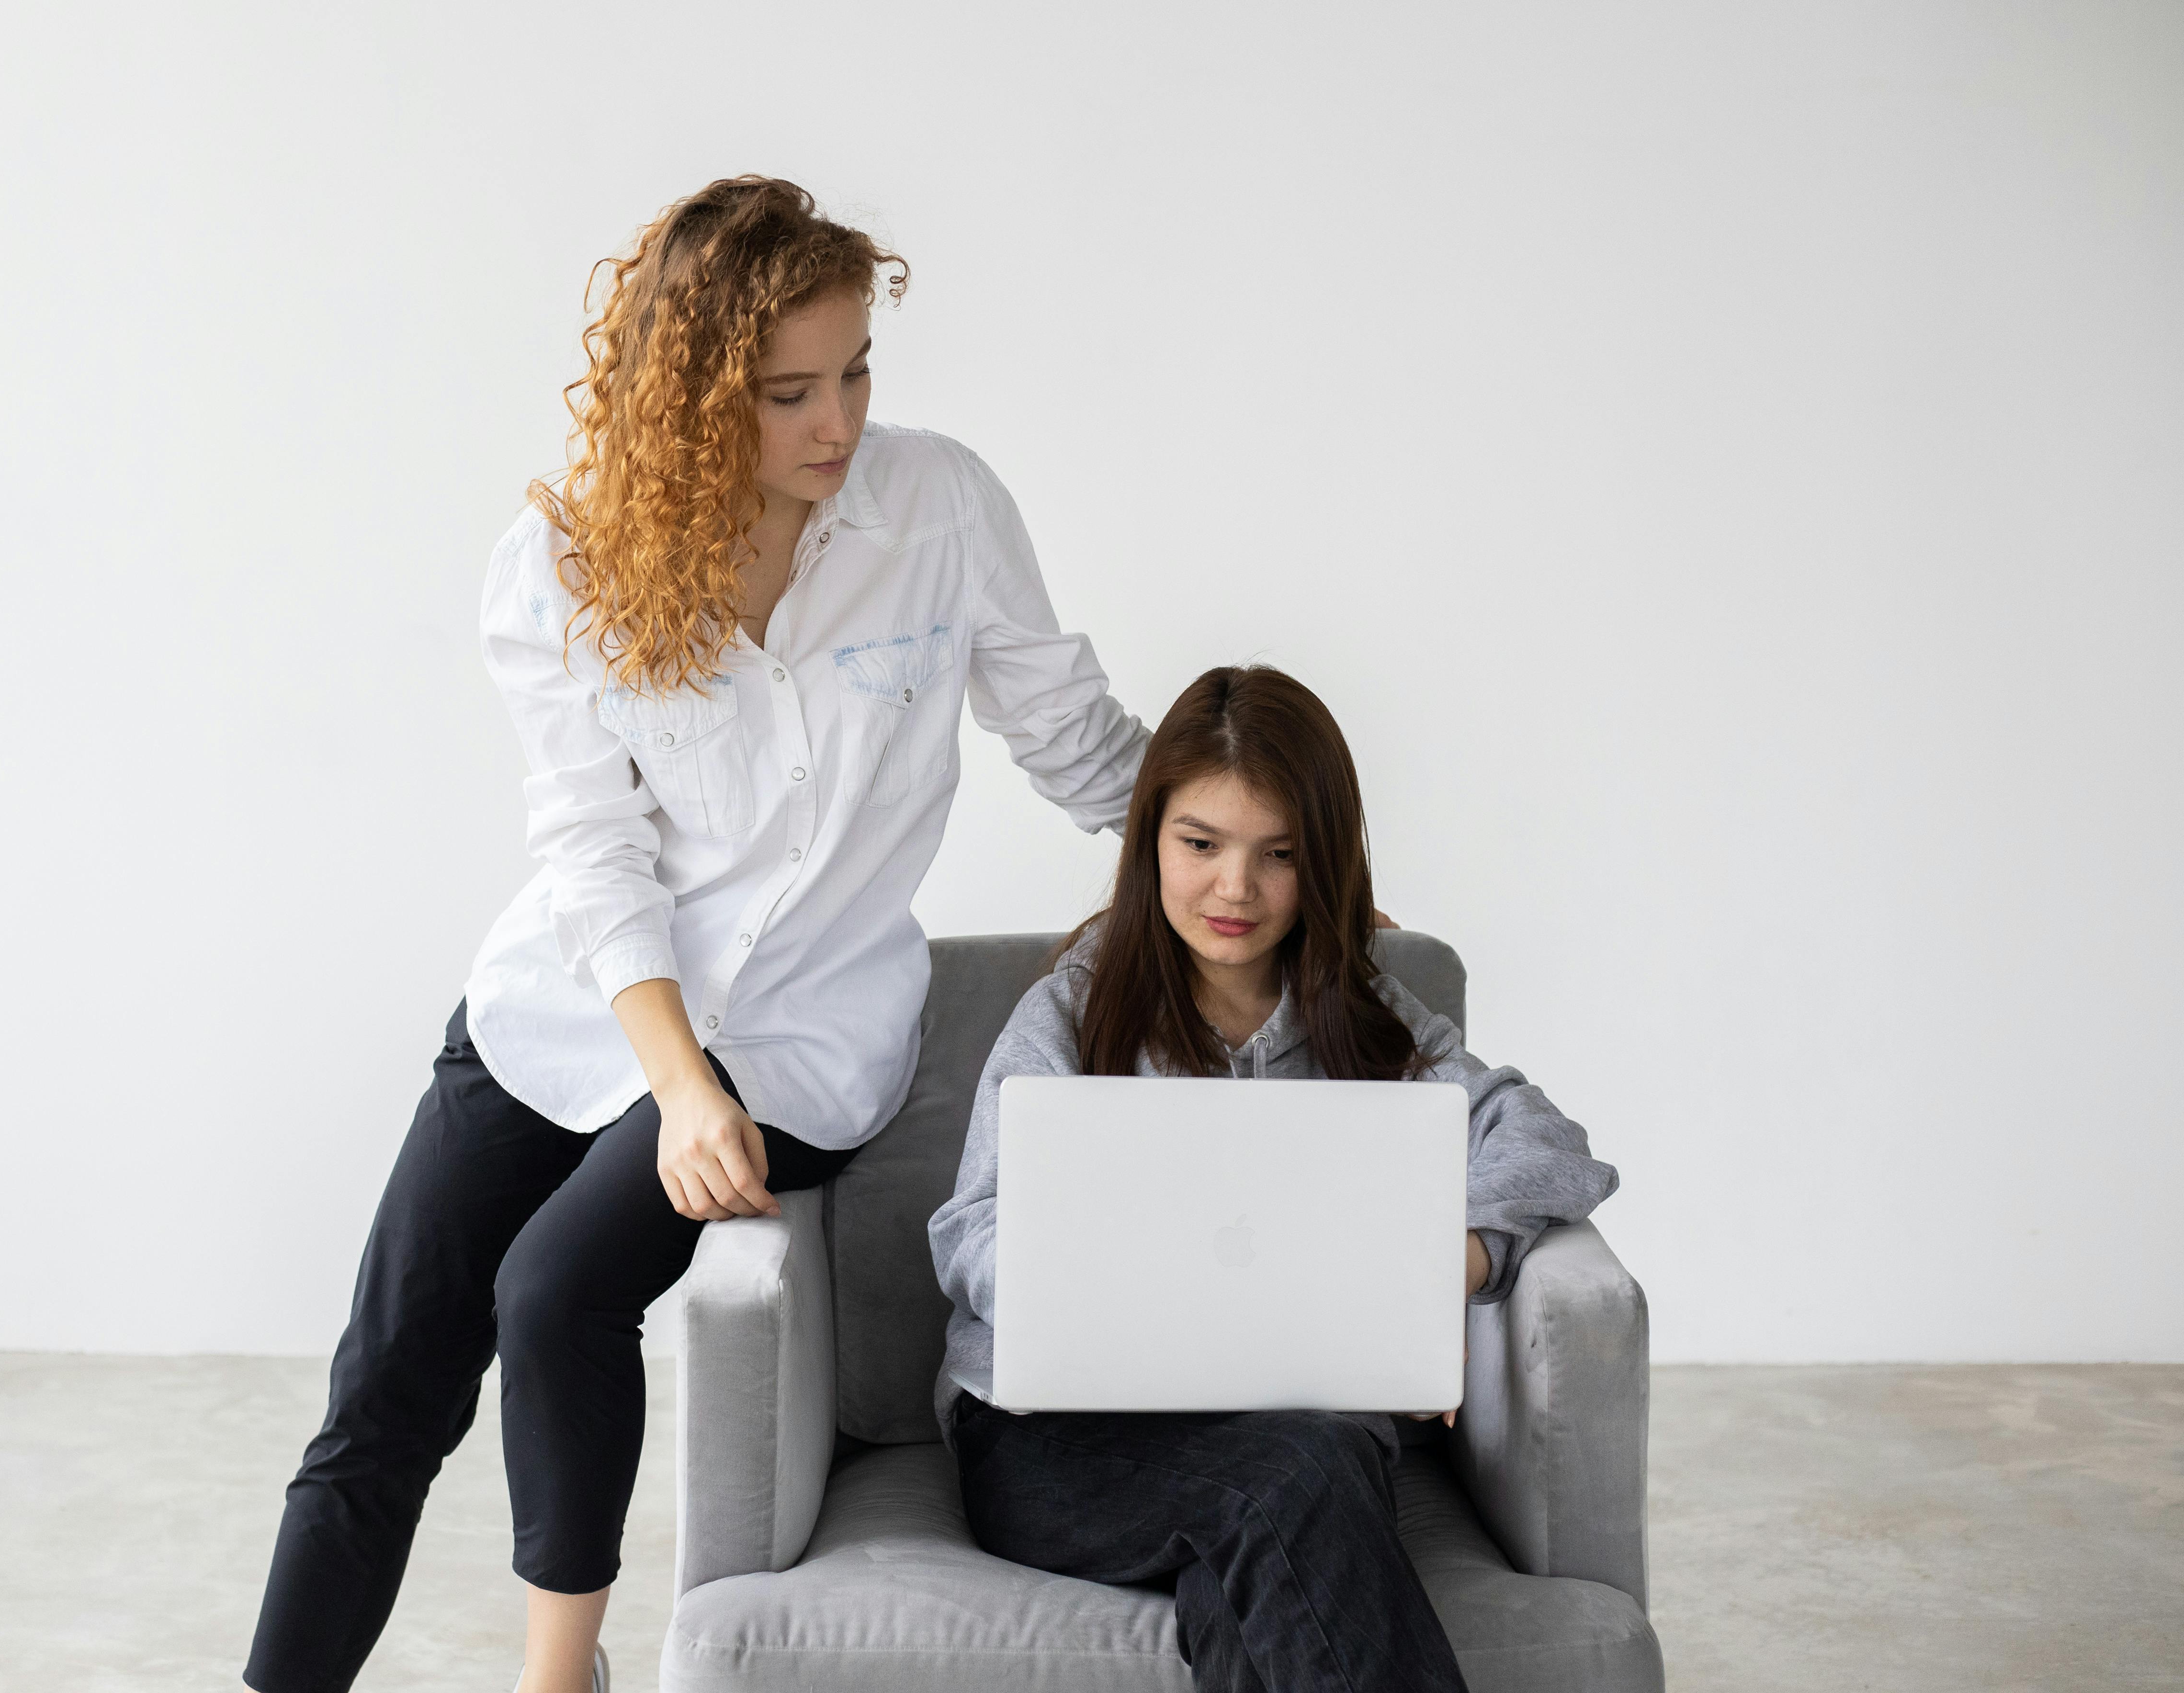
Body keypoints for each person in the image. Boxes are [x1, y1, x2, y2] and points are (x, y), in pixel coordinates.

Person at [243, 178, 1151, 1693]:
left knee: (556, 1287)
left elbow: (1074, 737)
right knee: (388, 1379)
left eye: (857, 371)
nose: (839, 422)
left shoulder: (941, 511)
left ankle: (561, 1677)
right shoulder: (569, 563)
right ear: (693, 397)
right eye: (789, 391)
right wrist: (673, 1086)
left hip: (800, 1040)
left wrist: (1255, 855)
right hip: (573, 1010)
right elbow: (594, 852)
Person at [928, 664, 1621, 1693]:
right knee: (1295, 1482)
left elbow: (1549, 1140)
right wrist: (1108, 1277)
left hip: (1301, 1439)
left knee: (1276, 1526)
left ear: (1322, 864)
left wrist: (1457, 1258)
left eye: (1278, 856)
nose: (1235, 889)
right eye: (1200, 845)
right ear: (1150, 840)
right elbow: (969, 1230)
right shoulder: (1071, 1013)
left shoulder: (1372, 1019)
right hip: (1058, 1448)